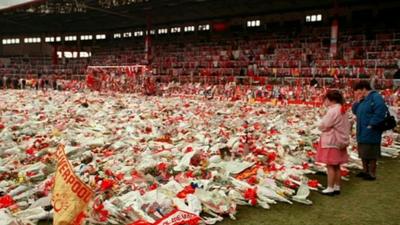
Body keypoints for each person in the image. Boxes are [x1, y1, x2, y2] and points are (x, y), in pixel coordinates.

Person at [316, 90, 350, 196]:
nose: (324, 102)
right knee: (337, 166)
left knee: (330, 165)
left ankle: (330, 187)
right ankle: (337, 186)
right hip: (340, 140)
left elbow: (324, 125)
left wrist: (320, 123)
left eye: (326, 99)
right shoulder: (342, 109)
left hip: (332, 140)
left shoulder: (333, 110)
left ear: (331, 100)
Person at [352, 80, 387, 181]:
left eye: (358, 91)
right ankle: (365, 171)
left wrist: (372, 124)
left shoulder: (375, 97)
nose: (356, 93)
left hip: (371, 129)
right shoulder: (363, 99)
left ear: (364, 89)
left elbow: (380, 111)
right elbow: (354, 111)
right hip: (362, 129)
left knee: (371, 152)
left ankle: (372, 173)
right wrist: (357, 101)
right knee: (363, 151)